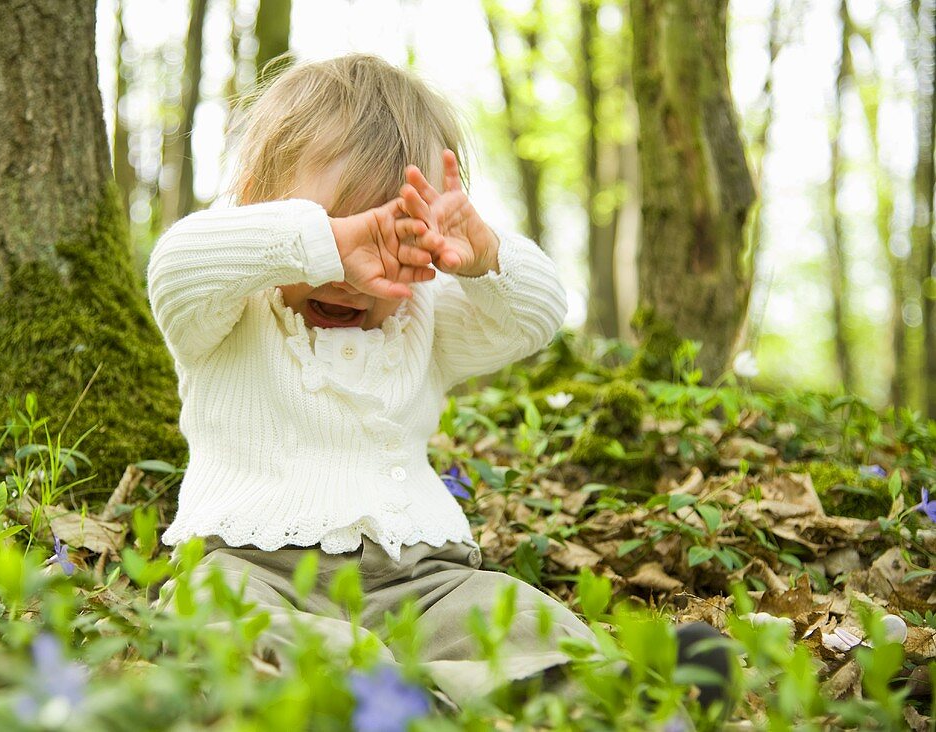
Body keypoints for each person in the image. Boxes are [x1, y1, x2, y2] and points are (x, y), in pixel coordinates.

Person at [146, 52, 731, 716]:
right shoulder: (229, 313)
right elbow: (177, 265)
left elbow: (538, 314)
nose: (351, 276)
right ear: (260, 207)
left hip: (424, 578)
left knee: (512, 618)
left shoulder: (423, 318)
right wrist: (321, 242)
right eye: (335, 238)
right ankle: (386, 699)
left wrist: (485, 257)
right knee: (227, 619)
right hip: (257, 566)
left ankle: (608, 690)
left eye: (389, 239)